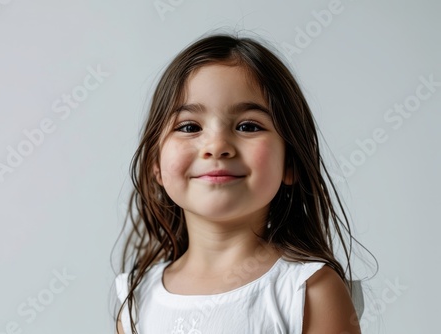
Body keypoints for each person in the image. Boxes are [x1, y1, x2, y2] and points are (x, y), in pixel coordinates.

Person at [113, 30, 366, 333]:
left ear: (290, 162)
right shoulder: (136, 300)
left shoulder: (308, 291)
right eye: (190, 126)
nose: (217, 145)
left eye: (248, 126)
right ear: (155, 163)